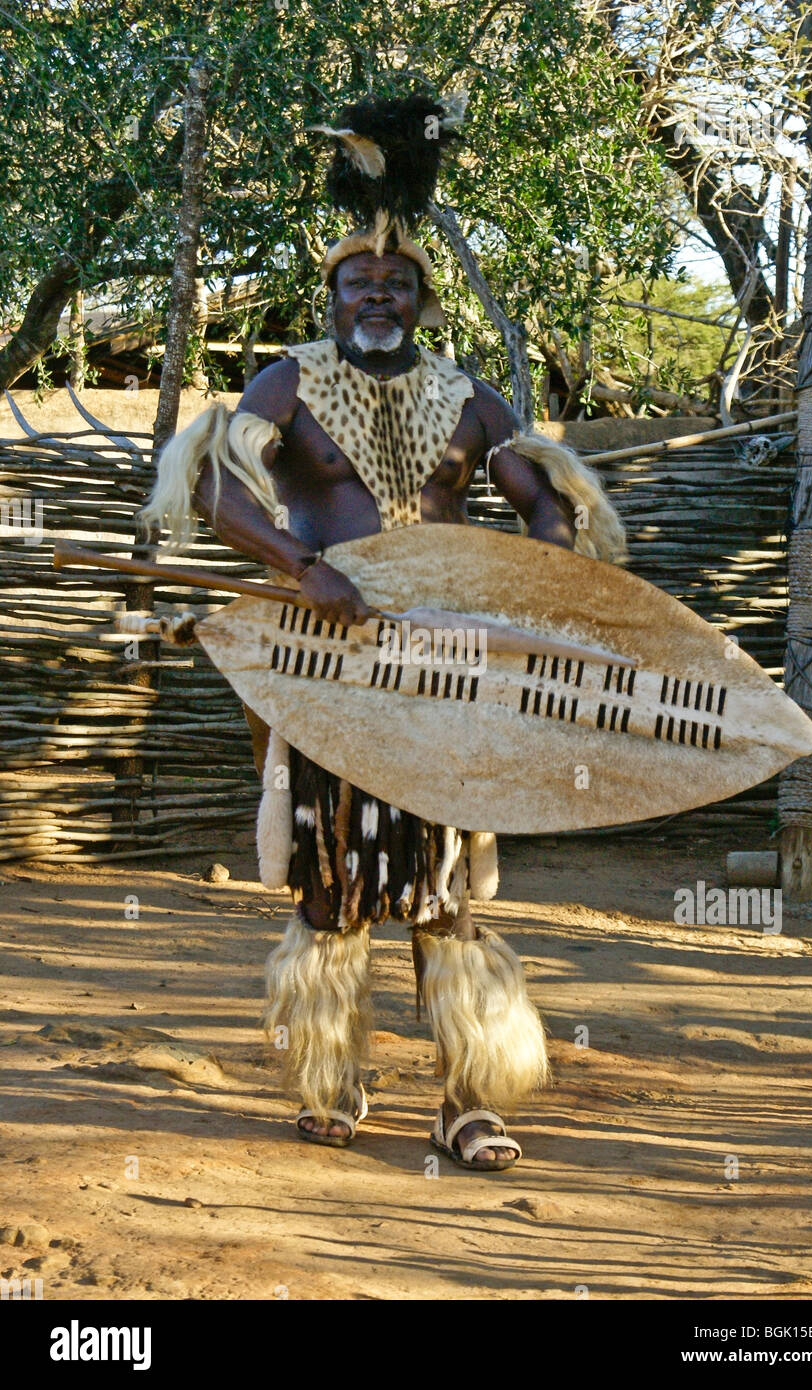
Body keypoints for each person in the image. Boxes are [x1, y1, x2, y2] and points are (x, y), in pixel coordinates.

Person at [140, 93, 625, 1171]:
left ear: (418, 299)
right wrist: (303, 568)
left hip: (446, 669)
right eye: (358, 280)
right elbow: (212, 478)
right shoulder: (288, 384)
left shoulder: (467, 399)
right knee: (334, 882)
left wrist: (538, 554)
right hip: (330, 667)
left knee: (449, 892)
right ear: (333, 294)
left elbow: (542, 497)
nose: (376, 293)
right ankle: (334, 1077)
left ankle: (466, 1100)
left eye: (395, 283)